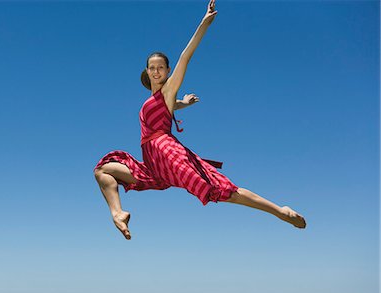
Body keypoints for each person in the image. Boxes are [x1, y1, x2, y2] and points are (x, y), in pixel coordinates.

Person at [93, 0, 306, 240]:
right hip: (154, 166)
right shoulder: (159, 99)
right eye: (152, 67)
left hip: (167, 153)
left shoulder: (167, 90)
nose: (156, 71)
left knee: (221, 190)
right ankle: (118, 213)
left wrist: (203, 24)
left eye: (161, 67)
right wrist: (184, 102)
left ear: (167, 70)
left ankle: (280, 211)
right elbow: (172, 106)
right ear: (146, 71)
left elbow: (185, 56)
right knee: (103, 170)